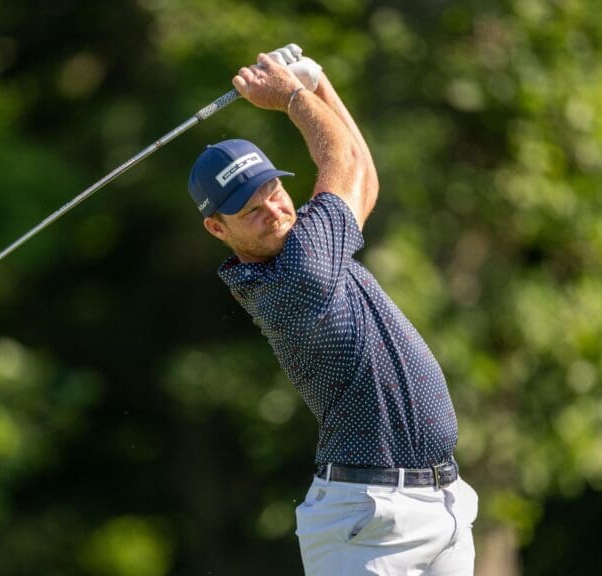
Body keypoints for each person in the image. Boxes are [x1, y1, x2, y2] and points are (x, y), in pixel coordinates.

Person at [188, 51, 479, 575]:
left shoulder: (314, 244)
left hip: (444, 505)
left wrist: (318, 81)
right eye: (251, 211)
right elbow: (340, 162)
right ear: (218, 229)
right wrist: (294, 97)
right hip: (366, 523)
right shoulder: (295, 276)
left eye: (274, 192)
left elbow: (363, 180)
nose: (274, 211)